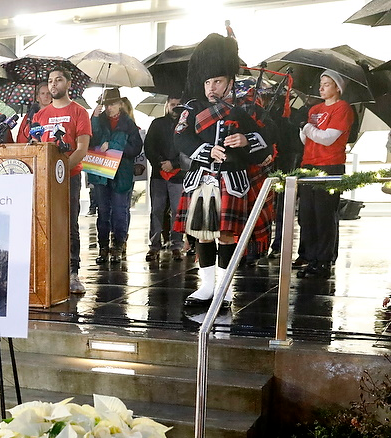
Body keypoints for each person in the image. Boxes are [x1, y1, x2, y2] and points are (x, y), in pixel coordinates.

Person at [172, 33, 274, 307]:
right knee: (202, 233)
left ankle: (225, 289)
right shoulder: (193, 108)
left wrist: (245, 140)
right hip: (202, 178)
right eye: (207, 81)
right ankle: (206, 287)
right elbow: (180, 137)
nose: (211, 87)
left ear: (230, 80)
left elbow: (269, 142)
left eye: (217, 81)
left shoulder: (247, 108)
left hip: (233, 179)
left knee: (227, 234)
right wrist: (206, 151)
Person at [31, 67, 92, 295]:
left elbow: (82, 148)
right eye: (50, 81)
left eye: (58, 80)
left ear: (68, 84)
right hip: (44, 178)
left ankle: (73, 272)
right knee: (44, 223)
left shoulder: (79, 112)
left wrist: (61, 170)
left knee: (69, 225)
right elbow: (35, 145)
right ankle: (47, 269)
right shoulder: (40, 115)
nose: (53, 84)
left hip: (69, 176)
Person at [296, 70, 354, 279]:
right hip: (308, 164)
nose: (321, 88)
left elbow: (328, 138)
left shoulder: (343, 108)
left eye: (327, 84)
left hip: (330, 165)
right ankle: (310, 257)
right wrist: (303, 128)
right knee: (307, 214)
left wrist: (307, 128)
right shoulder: (314, 109)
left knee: (324, 215)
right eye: (321, 83)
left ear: (337, 88)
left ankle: (324, 260)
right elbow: (308, 139)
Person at [89, 88, 143, 266]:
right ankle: (103, 247)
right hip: (101, 174)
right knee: (103, 212)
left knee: (120, 212)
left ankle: (118, 245)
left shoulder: (129, 124)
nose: (109, 107)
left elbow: (136, 148)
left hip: (121, 174)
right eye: (106, 104)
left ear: (120, 104)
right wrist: (94, 119)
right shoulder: (98, 120)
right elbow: (90, 139)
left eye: (112, 103)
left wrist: (114, 147)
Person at [144, 94, 186, 262]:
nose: (174, 107)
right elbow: (149, 146)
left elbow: (188, 150)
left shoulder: (186, 126)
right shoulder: (157, 123)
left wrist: (174, 164)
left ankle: (177, 245)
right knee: (157, 210)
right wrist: (160, 163)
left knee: (177, 211)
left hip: (178, 174)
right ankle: (154, 246)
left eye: (178, 104)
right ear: (167, 105)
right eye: (172, 104)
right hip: (158, 174)